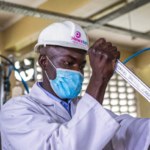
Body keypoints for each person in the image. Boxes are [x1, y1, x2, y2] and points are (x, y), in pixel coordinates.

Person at [0, 21, 149, 150]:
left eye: (82, 65)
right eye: (68, 63)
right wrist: (98, 79)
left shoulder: (82, 107)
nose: (77, 72)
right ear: (44, 62)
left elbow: (124, 130)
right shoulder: (16, 111)